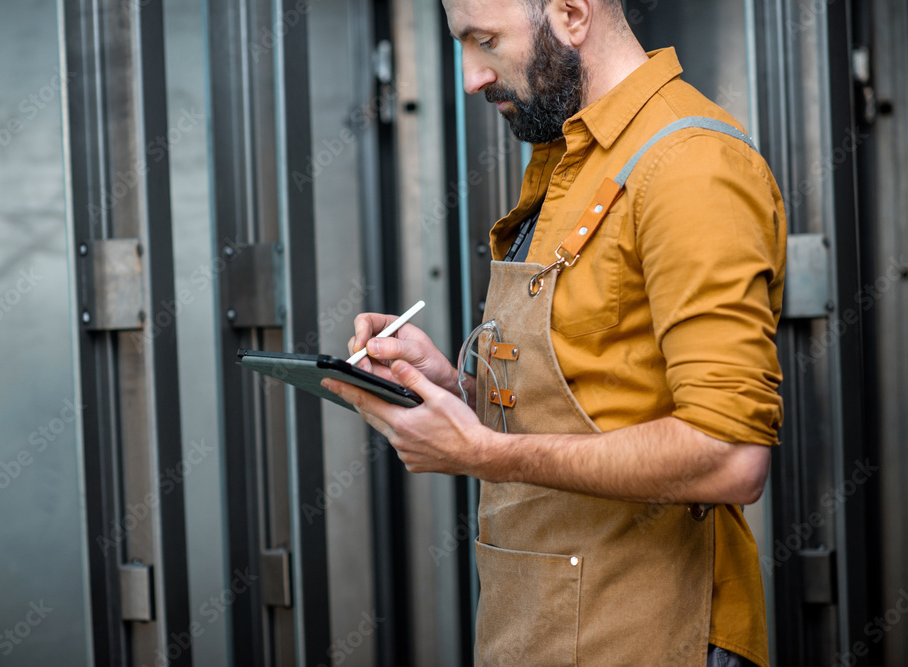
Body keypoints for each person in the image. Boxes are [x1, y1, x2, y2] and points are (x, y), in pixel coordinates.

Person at [322, 0, 785, 665]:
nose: (471, 78)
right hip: (542, 630)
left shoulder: (689, 165)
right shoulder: (570, 155)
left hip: (651, 637)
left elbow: (729, 454)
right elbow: (595, 399)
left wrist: (482, 453)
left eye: (485, 41)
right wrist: (457, 389)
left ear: (571, 14)